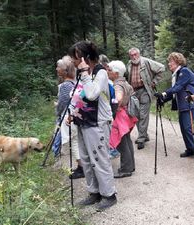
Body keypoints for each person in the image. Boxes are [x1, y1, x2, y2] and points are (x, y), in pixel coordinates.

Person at [67, 41, 117, 211]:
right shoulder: (83, 73)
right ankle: (94, 192)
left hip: (98, 123)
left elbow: (92, 93)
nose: (73, 62)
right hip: (83, 121)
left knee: (99, 159)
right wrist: (73, 113)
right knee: (87, 160)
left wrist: (85, 74)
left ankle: (109, 194)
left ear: (85, 58)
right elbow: (81, 95)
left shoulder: (100, 72)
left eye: (75, 58)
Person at [154, 52, 194, 161]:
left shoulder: (184, 72)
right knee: (184, 128)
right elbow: (174, 93)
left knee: (188, 127)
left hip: (189, 103)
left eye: (171, 61)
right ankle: (191, 149)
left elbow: (178, 87)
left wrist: (163, 94)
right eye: (169, 62)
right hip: (183, 104)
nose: (169, 64)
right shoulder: (176, 75)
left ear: (178, 61)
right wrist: (162, 99)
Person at [127, 47, 165, 150]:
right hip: (134, 92)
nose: (134, 57)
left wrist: (154, 82)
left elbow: (161, 68)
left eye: (135, 54)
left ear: (139, 54)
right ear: (129, 56)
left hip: (144, 91)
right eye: (132, 55)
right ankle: (144, 135)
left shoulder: (146, 62)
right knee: (136, 114)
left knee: (143, 115)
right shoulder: (129, 64)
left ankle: (141, 139)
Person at [55, 55, 84, 179]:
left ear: (65, 70)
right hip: (77, 115)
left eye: (59, 67)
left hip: (69, 116)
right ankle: (82, 166)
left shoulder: (66, 85)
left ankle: (81, 167)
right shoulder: (76, 82)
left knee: (74, 141)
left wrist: (57, 111)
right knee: (78, 140)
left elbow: (63, 103)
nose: (57, 69)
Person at [107, 60, 138, 178]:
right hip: (128, 116)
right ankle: (130, 166)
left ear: (116, 73)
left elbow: (118, 98)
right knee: (127, 141)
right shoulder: (125, 83)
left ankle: (126, 169)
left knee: (121, 143)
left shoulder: (117, 85)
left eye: (109, 70)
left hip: (120, 116)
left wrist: (112, 108)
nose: (107, 72)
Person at [99, 54, 120, 159]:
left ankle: (113, 150)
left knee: (110, 132)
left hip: (109, 112)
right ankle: (112, 149)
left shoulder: (109, 82)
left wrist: (112, 113)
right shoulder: (106, 80)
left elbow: (114, 99)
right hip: (109, 112)